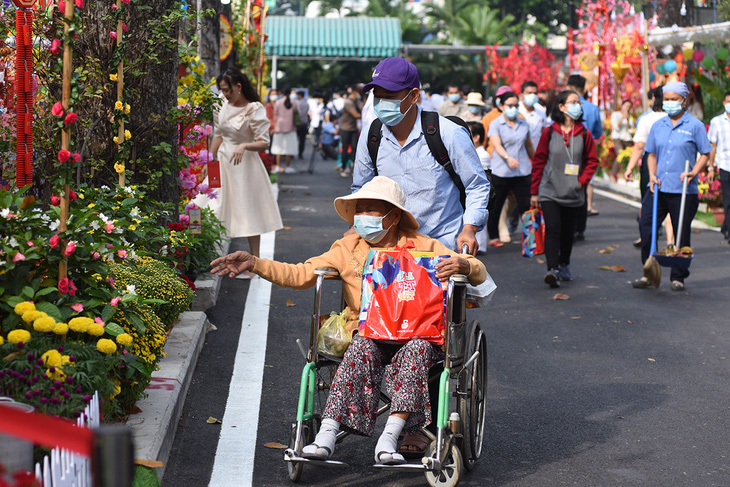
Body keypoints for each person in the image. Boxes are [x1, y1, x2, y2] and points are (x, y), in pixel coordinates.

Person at [210, 176, 487, 465]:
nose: (362, 217)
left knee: (416, 351)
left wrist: (464, 264)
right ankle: (326, 434)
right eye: (359, 210)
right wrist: (255, 263)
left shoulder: (424, 246)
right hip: (367, 333)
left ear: (393, 216)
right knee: (359, 348)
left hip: (415, 336)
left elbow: (478, 270)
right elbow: (301, 274)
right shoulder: (346, 248)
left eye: (371, 210)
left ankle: (390, 436)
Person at [352, 57, 490, 254]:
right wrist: (357, 227)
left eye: (389, 96)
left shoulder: (448, 133)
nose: (382, 103)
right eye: (378, 97)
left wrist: (469, 229)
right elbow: (361, 189)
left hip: (442, 249)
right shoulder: (371, 136)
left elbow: (476, 184)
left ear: (414, 95)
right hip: (390, 250)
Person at [632, 81, 712, 291]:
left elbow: (705, 153)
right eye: (666, 99)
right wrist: (651, 175)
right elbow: (651, 153)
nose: (669, 103)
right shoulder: (658, 125)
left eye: (674, 99)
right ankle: (649, 271)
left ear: (684, 101)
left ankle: (678, 276)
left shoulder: (695, 126)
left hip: (683, 190)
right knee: (646, 225)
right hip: (658, 188)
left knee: (680, 233)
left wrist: (694, 172)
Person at [206, 69, 283, 277]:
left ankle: (254, 262)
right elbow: (218, 134)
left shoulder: (254, 108)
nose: (225, 95)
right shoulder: (220, 104)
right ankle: (211, 257)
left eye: (227, 90)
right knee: (212, 204)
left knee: (249, 211)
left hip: (245, 165)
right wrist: (208, 159)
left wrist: (244, 146)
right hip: (222, 162)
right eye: (222, 90)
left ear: (239, 87)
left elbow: (263, 142)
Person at [531, 90, 599, 287]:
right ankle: (552, 269)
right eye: (573, 102)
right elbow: (539, 161)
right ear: (561, 106)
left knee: (568, 231)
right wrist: (534, 191)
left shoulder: (585, 134)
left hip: (573, 192)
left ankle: (564, 264)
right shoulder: (550, 132)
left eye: (579, 102)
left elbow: (592, 161)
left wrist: (581, 181)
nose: (577, 105)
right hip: (549, 190)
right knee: (553, 228)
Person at [624, 87, 672, 248]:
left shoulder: (646, 119)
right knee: (670, 200)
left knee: (649, 202)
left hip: (650, 162)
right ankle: (671, 241)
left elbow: (639, 146)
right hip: (672, 162)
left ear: (653, 98)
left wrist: (629, 168)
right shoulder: (675, 117)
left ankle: (647, 240)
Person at [487, 91, 535, 248]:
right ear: (501, 106)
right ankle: (493, 235)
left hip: (522, 171)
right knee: (497, 204)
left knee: (526, 206)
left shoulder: (523, 123)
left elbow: (528, 145)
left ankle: (530, 240)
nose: (513, 108)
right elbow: (496, 144)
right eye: (510, 106)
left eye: (516, 105)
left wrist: (536, 162)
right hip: (502, 171)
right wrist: (508, 158)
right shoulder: (496, 123)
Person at [567, 75, 603, 241]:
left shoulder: (564, 105)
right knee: (581, 188)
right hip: (585, 154)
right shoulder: (593, 108)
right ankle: (579, 228)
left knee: (566, 188)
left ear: (570, 87)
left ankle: (570, 225)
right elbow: (597, 133)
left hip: (567, 152)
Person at [708, 91, 730, 243]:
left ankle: (726, 226)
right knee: (727, 199)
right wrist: (710, 166)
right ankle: (728, 229)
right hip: (725, 164)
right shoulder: (716, 121)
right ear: (724, 103)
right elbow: (712, 145)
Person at [272, 86, 299, 174]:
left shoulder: (278, 102)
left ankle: (278, 166)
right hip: (291, 128)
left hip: (279, 128)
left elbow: (275, 116)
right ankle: (288, 166)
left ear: (281, 93)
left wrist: (274, 128)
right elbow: (298, 114)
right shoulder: (294, 102)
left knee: (278, 148)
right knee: (289, 148)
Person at [338, 87, 361, 177]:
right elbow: (356, 115)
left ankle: (353, 167)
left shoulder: (355, 102)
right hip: (346, 129)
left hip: (353, 128)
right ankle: (343, 167)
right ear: (354, 93)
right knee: (345, 148)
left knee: (355, 149)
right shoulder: (348, 102)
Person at [481, 85, 511, 153]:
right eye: (500, 97)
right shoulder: (489, 117)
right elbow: (483, 140)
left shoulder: (520, 117)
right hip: (493, 158)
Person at [519, 81, 548, 150]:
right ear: (522, 95)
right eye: (529, 93)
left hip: (537, 150)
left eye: (535, 93)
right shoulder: (517, 110)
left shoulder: (541, 110)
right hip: (521, 151)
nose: (532, 95)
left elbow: (543, 131)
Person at [295, 90, 310, 160]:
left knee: (295, 138)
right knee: (302, 140)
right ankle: (300, 153)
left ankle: (292, 153)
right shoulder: (306, 103)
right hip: (304, 123)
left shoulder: (297, 103)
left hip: (298, 123)